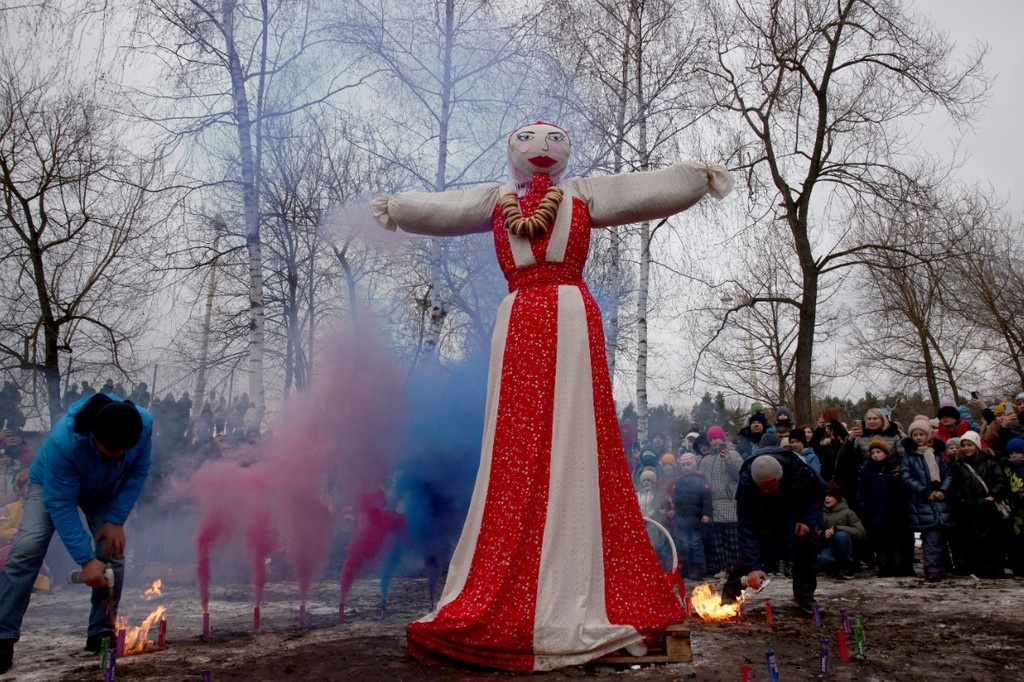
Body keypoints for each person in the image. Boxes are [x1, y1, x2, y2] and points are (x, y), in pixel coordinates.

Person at [370, 120, 734, 671]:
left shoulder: (583, 193)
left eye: (554, 140)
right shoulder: (495, 200)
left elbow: (642, 188)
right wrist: (398, 208)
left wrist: (695, 178)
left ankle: (574, 566)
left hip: (568, 314)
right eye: (528, 140)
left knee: (576, 436)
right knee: (513, 443)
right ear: (511, 150)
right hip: (517, 321)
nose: (542, 147)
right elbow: (443, 209)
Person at [0, 393, 152, 675]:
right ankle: (3, 636)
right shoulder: (65, 440)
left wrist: (116, 520)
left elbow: (137, 473)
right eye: (110, 450)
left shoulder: (142, 423)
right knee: (27, 549)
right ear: (93, 436)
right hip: (50, 485)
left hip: (102, 489)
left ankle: (101, 631)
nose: (117, 457)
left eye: (122, 452)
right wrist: (86, 559)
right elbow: (61, 504)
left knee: (113, 552)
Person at [722, 451, 826, 614]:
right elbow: (746, 528)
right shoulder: (746, 485)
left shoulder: (799, 470)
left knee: (807, 548)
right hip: (765, 514)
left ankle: (805, 596)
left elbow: (819, 491)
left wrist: (808, 520)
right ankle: (729, 596)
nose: (769, 490)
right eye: (764, 487)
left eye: (772, 485)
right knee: (751, 553)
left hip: (798, 511)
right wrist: (753, 567)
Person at [900, 416, 953, 581]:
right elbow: (906, 477)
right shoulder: (909, 457)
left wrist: (943, 490)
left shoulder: (937, 455)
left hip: (940, 502)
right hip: (922, 502)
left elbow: (948, 474)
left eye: (921, 434)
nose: (918, 437)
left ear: (928, 435)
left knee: (941, 538)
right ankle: (933, 570)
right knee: (931, 539)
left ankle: (943, 567)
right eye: (915, 435)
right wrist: (924, 491)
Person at [857, 438, 912, 577]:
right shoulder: (867, 471)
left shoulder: (894, 469)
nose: (875, 455)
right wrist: (865, 508)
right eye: (873, 452)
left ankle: (898, 567)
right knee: (881, 543)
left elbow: (901, 491)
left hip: (894, 513)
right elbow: (863, 491)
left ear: (886, 453)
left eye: (879, 451)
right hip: (876, 513)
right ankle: (884, 567)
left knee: (896, 542)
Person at [699, 425, 743, 576]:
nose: (713, 442)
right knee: (718, 542)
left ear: (723, 438)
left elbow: (739, 475)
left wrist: (729, 460)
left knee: (733, 541)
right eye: (711, 439)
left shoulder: (733, 454)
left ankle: (735, 568)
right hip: (713, 504)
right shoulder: (706, 460)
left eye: (716, 438)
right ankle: (723, 568)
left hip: (731, 502)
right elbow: (702, 481)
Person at [818, 483, 866, 579]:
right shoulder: (819, 513)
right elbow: (814, 531)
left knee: (841, 536)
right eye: (825, 496)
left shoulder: (848, 513)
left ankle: (848, 568)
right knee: (825, 559)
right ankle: (836, 568)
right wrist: (823, 533)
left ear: (837, 497)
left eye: (830, 496)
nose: (826, 498)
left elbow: (861, 532)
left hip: (848, 547)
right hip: (830, 546)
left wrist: (838, 528)